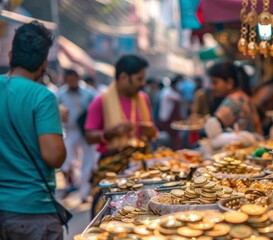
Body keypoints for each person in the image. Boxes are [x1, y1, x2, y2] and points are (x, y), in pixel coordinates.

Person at [0, 21, 66, 239]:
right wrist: (59, 122)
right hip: (33, 213)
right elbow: (54, 156)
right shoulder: (43, 97)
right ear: (44, 63)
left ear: (11, 55)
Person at [85, 55, 156, 217]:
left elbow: (152, 132)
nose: (143, 83)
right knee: (105, 209)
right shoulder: (100, 101)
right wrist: (111, 133)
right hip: (111, 166)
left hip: (141, 166)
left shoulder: (143, 99)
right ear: (124, 77)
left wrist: (150, 131)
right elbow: (89, 135)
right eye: (139, 79)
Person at [57, 69, 97, 202]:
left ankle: (84, 193)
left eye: (73, 79)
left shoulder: (89, 93)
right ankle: (70, 184)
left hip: (86, 132)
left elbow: (96, 110)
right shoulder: (60, 94)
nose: (71, 82)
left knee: (88, 162)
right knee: (66, 161)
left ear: (78, 78)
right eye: (69, 80)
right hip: (70, 131)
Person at [207, 61, 262, 134]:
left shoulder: (232, 102)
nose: (212, 87)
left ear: (230, 82)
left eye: (215, 82)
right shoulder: (242, 96)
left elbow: (211, 129)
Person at [157, 75, 185, 150]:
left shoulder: (167, 91)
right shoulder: (168, 92)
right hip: (167, 119)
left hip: (166, 118)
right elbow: (179, 98)